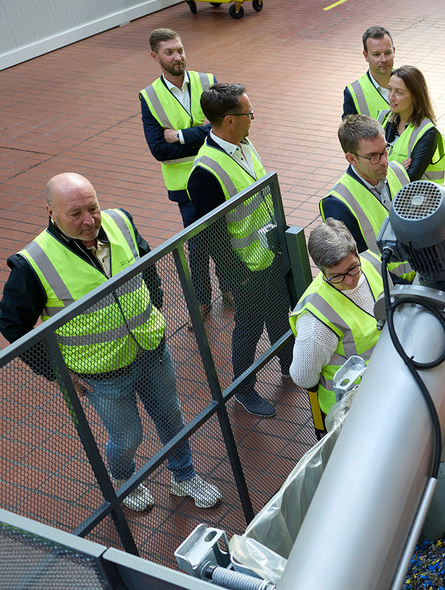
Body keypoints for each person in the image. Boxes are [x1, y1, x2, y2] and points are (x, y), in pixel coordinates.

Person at [0, 173, 221, 512]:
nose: (89, 221)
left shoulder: (120, 221)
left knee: (172, 418)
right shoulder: (33, 263)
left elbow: (146, 265)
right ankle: (125, 480)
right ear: (51, 212)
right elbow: (12, 324)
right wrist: (54, 370)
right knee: (128, 437)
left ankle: (184, 477)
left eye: (93, 208)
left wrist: (154, 309)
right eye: (76, 214)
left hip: (152, 349)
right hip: (102, 374)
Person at [187, 83, 293, 419]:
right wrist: (236, 278)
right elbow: (209, 237)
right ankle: (244, 390)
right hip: (247, 267)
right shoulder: (205, 174)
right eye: (249, 114)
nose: (253, 119)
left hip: (271, 252)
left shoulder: (243, 143)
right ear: (230, 120)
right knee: (250, 325)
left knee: (280, 312)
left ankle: (290, 364)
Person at [139, 28, 231, 318]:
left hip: (217, 176)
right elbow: (158, 150)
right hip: (186, 186)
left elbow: (222, 128)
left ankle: (228, 288)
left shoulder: (208, 81)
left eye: (180, 49)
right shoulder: (149, 97)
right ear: (155, 56)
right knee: (198, 245)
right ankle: (202, 301)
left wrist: (179, 135)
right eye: (169, 52)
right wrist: (203, 132)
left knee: (225, 235)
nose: (178, 56)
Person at [289, 220, 393, 431]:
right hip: (349, 410)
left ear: (356, 251)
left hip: (385, 388)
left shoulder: (372, 263)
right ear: (321, 270)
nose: (348, 281)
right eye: (336, 276)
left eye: (353, 268)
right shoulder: (315, 321)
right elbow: (302, 375)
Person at [319, 115, 411, 274]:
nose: (384, 161)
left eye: (385, 150)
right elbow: (360, 268)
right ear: (351, 158)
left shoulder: (397, 171)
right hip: (389, 292)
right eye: (373, 156)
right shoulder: (338, 204)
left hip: (423, 276)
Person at [376, 65, 445, 184]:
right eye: (389, 89)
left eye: (399, 92)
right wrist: (398, 169)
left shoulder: (427, 132)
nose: (391, 97)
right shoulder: (383, 118)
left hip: (417, 200)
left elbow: (410, 179)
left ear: (415, 96)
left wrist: (381, 169)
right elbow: (366, 163)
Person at [343, 26, 395, 120]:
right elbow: (348, 133)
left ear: (394, 51)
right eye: (376, 54)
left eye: (387, 53)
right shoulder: (354, 93)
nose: (383, 59)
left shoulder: (410, 80)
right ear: (366, 56)